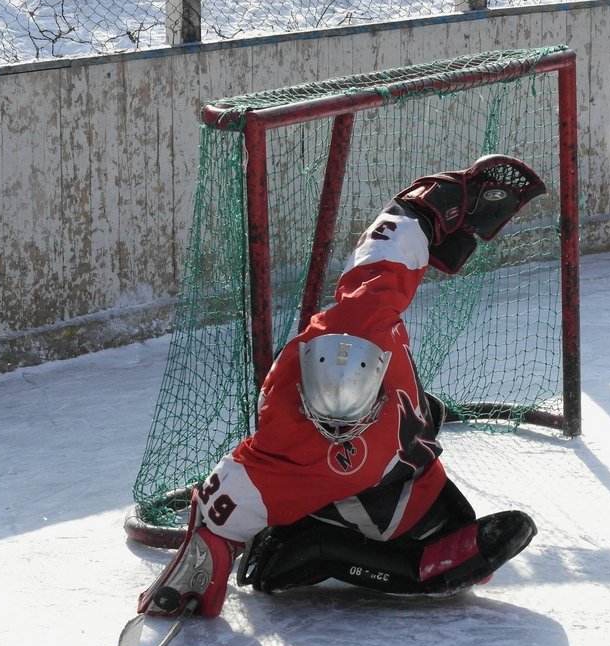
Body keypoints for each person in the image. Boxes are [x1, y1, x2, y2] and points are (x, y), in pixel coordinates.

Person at [137, 155, 547, 617]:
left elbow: (387, 253)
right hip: (351, 506)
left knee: (462, 530)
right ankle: (336, 554)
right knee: (400, 562)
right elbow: (220, 512)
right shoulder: (288, 444)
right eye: (326, 422)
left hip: (406, 469)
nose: (337, 432)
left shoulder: (364, 319)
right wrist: (195, 573)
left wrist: (429, 210)